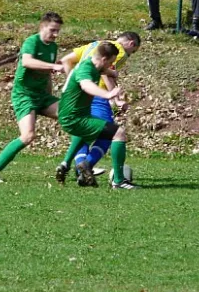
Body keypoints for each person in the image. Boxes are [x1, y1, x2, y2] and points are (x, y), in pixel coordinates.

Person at [0, 11, 65, 183]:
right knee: (28, 136)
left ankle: (82, 165)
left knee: (74, 116)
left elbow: (47, 73)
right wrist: (53, 66)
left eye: (58, 31)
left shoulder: (52, 47)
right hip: (24, 96)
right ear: (42, 26)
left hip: (42, 96)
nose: (56, 34)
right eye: (52, 30)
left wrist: (50, 94)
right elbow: (27, 62)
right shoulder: (31, 42)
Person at [55, 32, 141, 183]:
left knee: (88, 134)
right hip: (78, 114)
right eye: (110, 63)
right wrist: (111, 97)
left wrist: (111, 72)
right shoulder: (115, 52)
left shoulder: (96, 49)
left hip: (76, 112)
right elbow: (87, 84)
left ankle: (71, 164)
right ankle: (116, 180)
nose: (111, 66)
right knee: (117, 134)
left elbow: (69, 60)